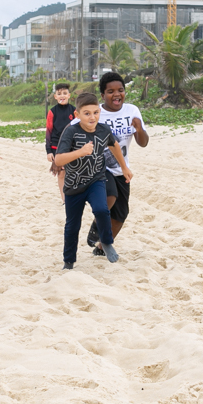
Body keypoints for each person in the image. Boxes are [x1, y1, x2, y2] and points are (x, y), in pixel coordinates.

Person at [55, 93, 132, 270]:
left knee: (101, 209)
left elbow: (114, 145)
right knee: (72, 226)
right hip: (74, 185)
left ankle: (106, 242)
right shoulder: (71, 132)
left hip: (96, 180)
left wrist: (124, 168)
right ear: (77, 115)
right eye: (87, 113)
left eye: (96, 112)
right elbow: (59, 160)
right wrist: (80, 152)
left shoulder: (104, 130)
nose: (92, 117)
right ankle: (68, 262)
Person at [83, 71, 149, 256]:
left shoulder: (132, 111)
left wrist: (138, 129)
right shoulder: (96, 112)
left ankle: (102, 247)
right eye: (110, 91)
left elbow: (143, 142)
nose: (116, 94)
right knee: (109, 194)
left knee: (121, 214)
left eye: (120, 90)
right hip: (97, 165)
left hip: (121, 167)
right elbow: (72, 127)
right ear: (102, 95)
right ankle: (97, 223)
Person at [45, 83, 76, 199]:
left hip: (72, 147)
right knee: (61, 173)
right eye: (59, 94)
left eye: (64, 93)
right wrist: (48, 151)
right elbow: (48, 131)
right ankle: (64, 199)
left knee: (73, 172)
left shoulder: (74, 111)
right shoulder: (52, 112)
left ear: (69, 95)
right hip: (56, 148)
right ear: (55, 96)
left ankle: (74, 196)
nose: (62, 96)